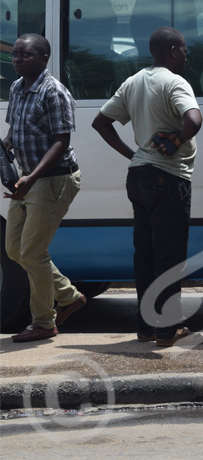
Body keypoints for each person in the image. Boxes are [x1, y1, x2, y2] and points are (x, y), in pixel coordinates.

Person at [92, 27, 203, 347]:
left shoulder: (133, 81)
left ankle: (146, 327)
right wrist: (177, 140)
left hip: (139, 176)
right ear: (171, 51)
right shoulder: (175, 81)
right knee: (168, 256)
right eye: (183, 50)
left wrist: (136, 154)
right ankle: (168, 331)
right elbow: (194, 119)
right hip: (168, 176)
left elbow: (100, 122)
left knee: (144, 254)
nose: (186, 55)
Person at [4, 34, 86, 343]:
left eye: (25, 55)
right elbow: (15, 132)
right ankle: (68, 296)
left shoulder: (54, 92)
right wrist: (6, 149)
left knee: (34, 252)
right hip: (27, 179)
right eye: (15, 55)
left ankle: (43, 321)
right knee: (15, 250)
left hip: (53, 179)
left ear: (43, 58)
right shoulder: (17, 88)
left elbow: (61, 142)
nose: (17, 60)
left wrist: (31, 177)